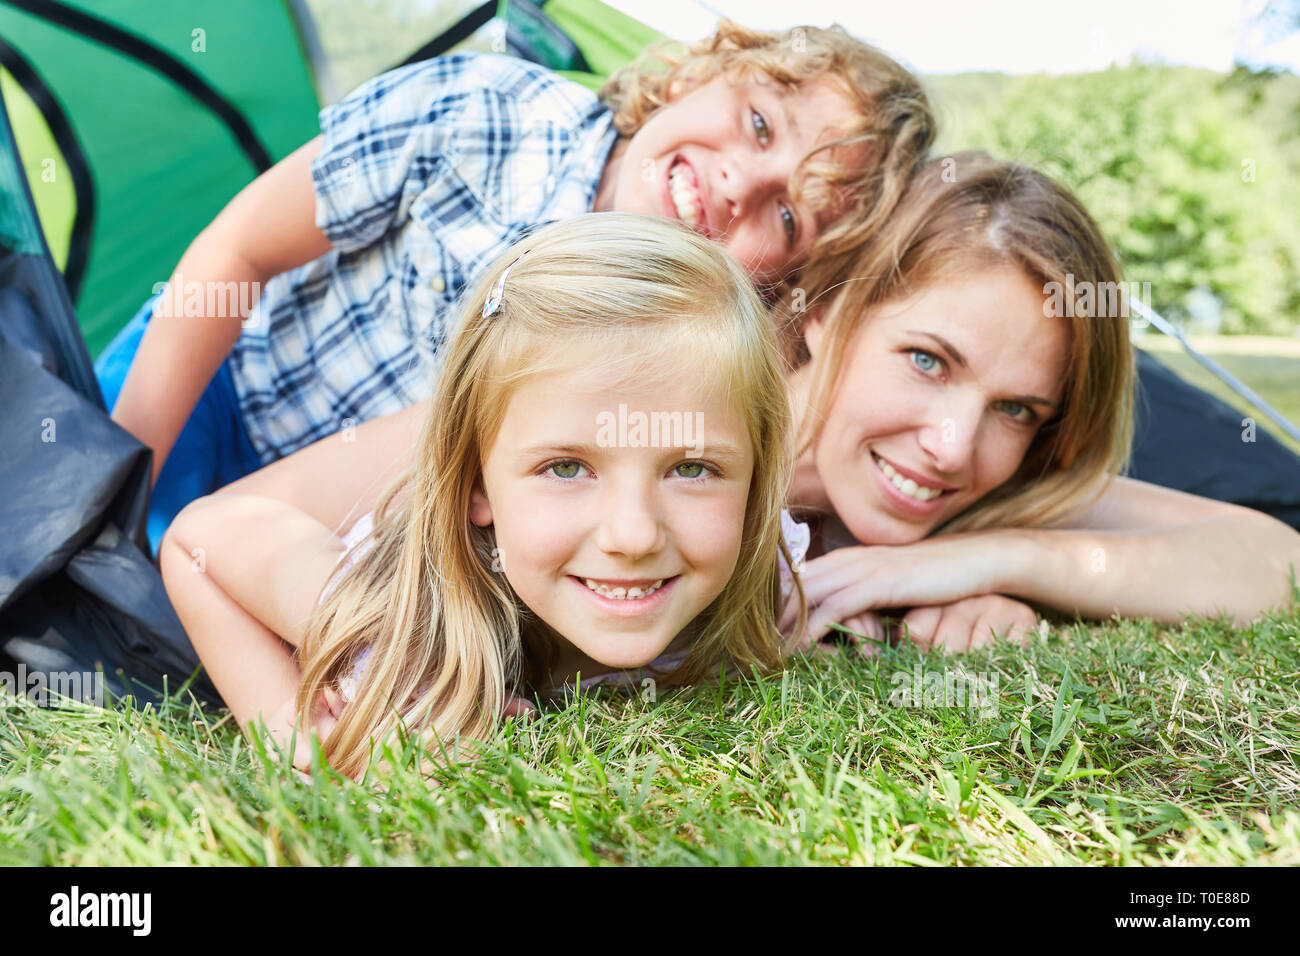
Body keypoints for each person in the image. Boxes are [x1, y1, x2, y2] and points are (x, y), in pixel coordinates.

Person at [102, 19, 934, 551]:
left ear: (783, 280)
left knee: (162, 645)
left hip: (327, 532)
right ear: (695, 77)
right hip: (208, 388)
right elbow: (237, 253)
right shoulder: (487, 114)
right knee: (49, 540)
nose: (739, 184)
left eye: (787, 218)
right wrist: (111, 490)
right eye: (758, 124)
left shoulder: (678, 345)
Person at [159, 214, 807, 779]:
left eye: (691, 469)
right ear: (476, 486)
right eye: (565, 468)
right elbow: (197, 538)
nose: (633, 535)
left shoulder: (764, 567)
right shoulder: (391, 630)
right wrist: (304, 742)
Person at [780, 152, 1300, 650]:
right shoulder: (706, 422)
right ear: (826, 313)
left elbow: (1282, 562)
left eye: (1014, 409)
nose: (953, 449)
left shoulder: (1006, 493)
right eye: (927, 361)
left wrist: (987, 562)